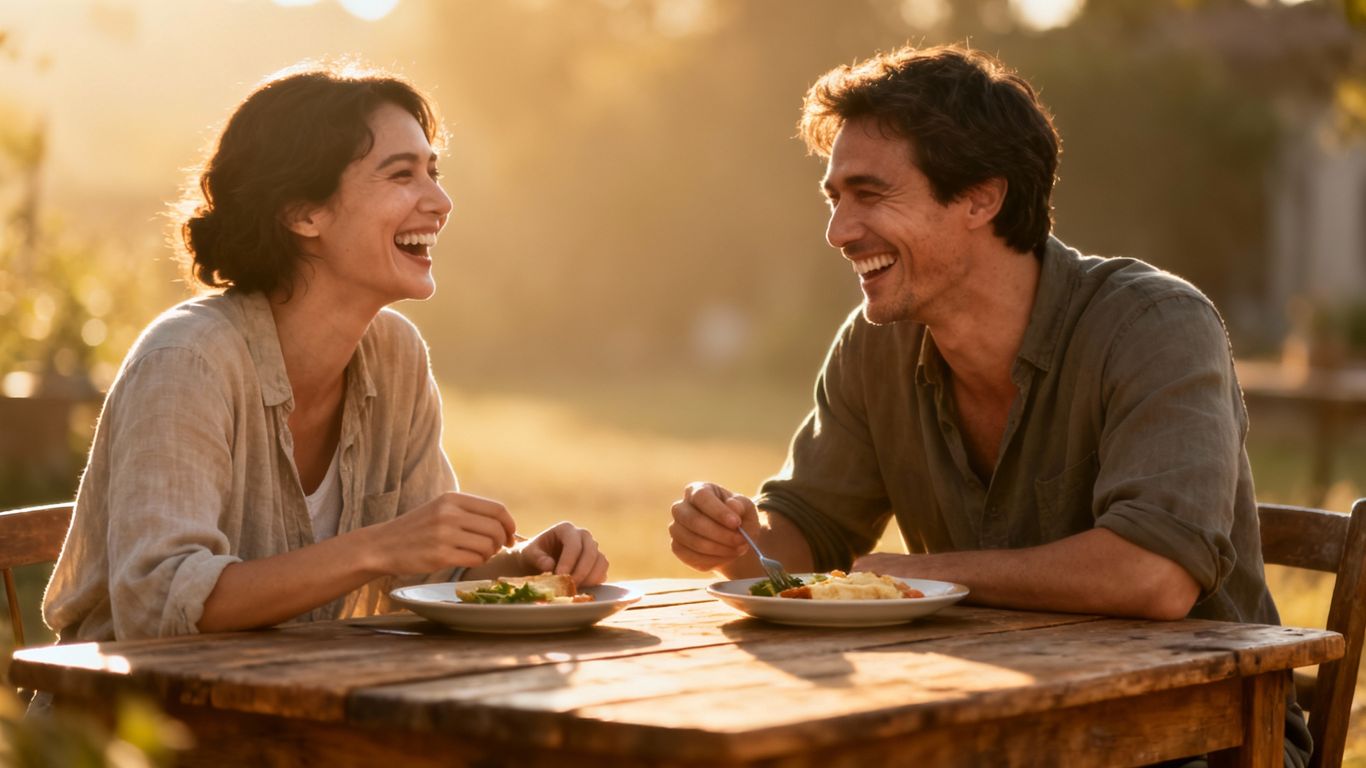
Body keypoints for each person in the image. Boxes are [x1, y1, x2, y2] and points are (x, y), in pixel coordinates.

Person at [667, 44, 1309, 765]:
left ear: (981, 197)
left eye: (869, 195)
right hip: (994, 730)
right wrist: (735, 534)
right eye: (834, 198)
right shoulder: (876, 345)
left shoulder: (1154, 325)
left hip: (1201, 739)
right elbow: (807, 535)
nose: (839, 231)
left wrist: (926, 577)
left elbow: (1153, 575)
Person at [43, 62, 609, 643]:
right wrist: (378, 546)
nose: (440, 201)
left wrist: (524, 564)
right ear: (302, 213)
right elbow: (159, 601)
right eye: (401, 175)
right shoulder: (188, 361)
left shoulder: (396, 356)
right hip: (136, 724)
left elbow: (428, 572)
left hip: (294, 707)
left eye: (433, 172)